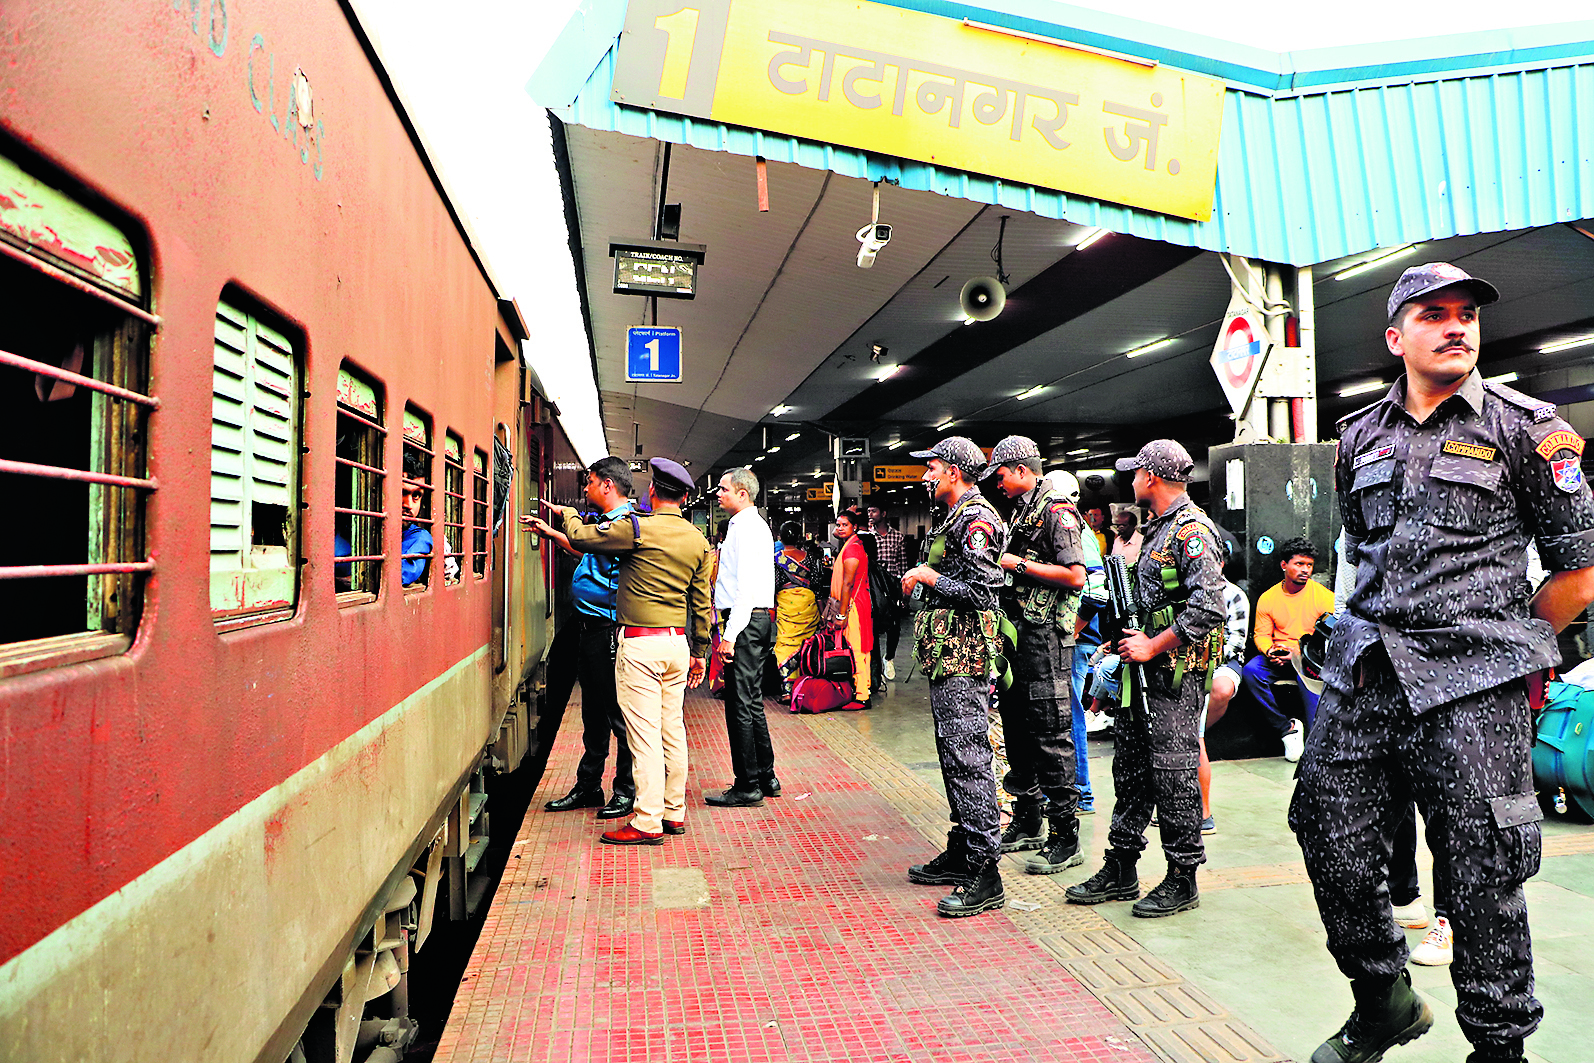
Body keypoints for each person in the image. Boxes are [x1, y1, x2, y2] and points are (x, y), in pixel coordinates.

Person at [1292, 263, 1594, 1063]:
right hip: (1367, 675)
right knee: (1326, 829)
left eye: (1466, 313)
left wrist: (1501, 644)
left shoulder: (1528, 429)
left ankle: (1498, 1047)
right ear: (1397, 337)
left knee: (1482, 872)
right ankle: (1382, 998)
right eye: (1434, 314)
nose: (1457, 325)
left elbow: (1580, 571)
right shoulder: (1359, 435)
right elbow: (1362, 550)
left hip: (1473, 689)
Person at [1067, 439, 1225, 918]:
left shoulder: (1191, 530)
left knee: (1173, 774)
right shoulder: (1157, 528)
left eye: (1135, 473)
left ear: (1151, 478)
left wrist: (1153, 646)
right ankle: (1122, 865)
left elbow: (1208, 608)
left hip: (1174, 677)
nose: (1131, 480)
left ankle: (1183, 876)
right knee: (1131, 769)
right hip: (1143, 675)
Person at [531, 457, 715, 845]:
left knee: (642, 736)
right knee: (672, 732)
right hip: (677, 644)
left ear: (652, 491)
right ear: (684, 497)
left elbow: (582, 538)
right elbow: (702, 603)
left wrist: (566, 515)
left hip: (641, 644)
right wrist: (700, 651)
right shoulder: (698, 540)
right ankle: (674, 813)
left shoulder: (638, 529)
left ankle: (647, 821)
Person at [900, 437, 1008, 918]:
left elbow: (983, 593)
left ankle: (986, 870)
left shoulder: (976, 519)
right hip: (949, 656)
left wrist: (929, 577)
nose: (927, 476)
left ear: (955, 472)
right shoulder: (954, 516)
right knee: (953, 754)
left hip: (965, 657)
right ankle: (964, 849)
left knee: (969, 758)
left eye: (933, 468)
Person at [984, 437, 1090, 875]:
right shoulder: (1022, 510)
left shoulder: (1057, 510)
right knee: (1016, 728)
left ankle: (1065, 835)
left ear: (1022, 471)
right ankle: (1028, 818)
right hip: (1019, 637)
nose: (998, 484)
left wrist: (1016, 565)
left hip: (1046, 639)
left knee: (1050, 732)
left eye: (1001, 475)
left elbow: (1076, 576)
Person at [526, 457, 637, 820]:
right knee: (593, 712)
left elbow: (585, 541)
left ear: (607, 485)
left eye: (589, 482)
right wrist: (552, 534)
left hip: (607, 629)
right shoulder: (608, 524)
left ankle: (626, 790)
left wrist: (565, 520)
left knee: (617, 715)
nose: (586, 489)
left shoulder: (623, 524)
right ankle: (589, 785)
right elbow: (588, 550)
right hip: (590, 629)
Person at [707, 467, 779, 807]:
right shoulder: (749, 525)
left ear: (742, 494)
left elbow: (745, 588)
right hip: (757, 620)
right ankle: (766, 776)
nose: (718, 494)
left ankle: (747, 785)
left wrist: (730, 635)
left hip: (746, 622)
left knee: (739, 704)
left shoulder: (746, 528)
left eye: (723, 489)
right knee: (751, 702)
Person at [1244, 536, 1335, 761]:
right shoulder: (1268, 598)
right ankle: (1287, 729)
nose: (1305, 570)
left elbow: (1327, 639)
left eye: (1309, 565)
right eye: (1299, 564)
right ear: (1284, 565)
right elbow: (1261, 635)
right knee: (1251, 671)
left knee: (1309, 681)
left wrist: (1295, 652)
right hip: (1277, 657)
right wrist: (1269, 651)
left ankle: (1315, 747)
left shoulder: (1324, 597)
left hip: (1307, 659)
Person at [1048, 470, 1105, 811]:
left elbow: (1097, 590)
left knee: (1070, 715)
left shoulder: (1076, 531)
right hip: (1071, 638)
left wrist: (1075, 628)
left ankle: (1081, 792)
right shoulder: (1069, 528)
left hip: (1075, 641)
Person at [1197, 537, 1249, 835]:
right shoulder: (1188, 591)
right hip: (1189, 664)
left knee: (1220, 689)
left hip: (1223, 662)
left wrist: (1206, 658)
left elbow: (1236, 643)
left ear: (1221, 563)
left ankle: (1199, 730)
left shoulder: (1234, 595)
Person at [826, 508, 874, 710]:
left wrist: (841, 614)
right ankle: (861, 690)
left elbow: (848, 584)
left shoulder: (853, 549)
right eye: (838, 525)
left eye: (845, 525)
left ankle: (862, 696)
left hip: (854, 605)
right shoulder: (850, 544)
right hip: (854, 603)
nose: (840, 528)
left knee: (857, 648)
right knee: (856, 647)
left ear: (854, 527)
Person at [773, 521, 822, 694]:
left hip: (786, 606)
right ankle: (804, 686)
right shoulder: (811, 558)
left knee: (785, 645)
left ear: (780, 537)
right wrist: (822, 612)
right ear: (800, 538)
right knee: (806, 645)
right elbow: (817, 587)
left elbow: (774, 585)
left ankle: (788, 689)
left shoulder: (776, 559)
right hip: (808, 606)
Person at [867, 504, 908, 681]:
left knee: (894, 626)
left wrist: (904, 592)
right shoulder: (867, 536)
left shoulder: (898, 537)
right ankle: (874, 666)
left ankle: (889, 658)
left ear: (883, 513)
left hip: (892, 587)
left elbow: (903, 564)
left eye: (873, 511)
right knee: (874, 625)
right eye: (868, 511)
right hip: (874, 587)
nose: (870, 514)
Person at [400, 452, 433, 586]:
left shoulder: (419, 537)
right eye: (402, 493)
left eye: (416, 496)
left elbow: (398, 575)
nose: (408, 505)